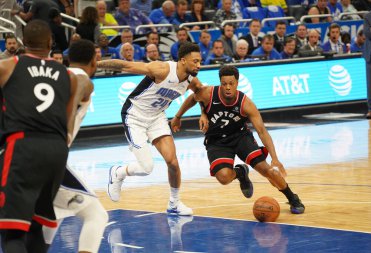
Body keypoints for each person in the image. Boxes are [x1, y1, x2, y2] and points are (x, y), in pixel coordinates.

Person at [171, 65, 305, 214]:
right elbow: (194, 98)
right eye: (224, 84)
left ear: (237, 83)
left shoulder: (245, 103)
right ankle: (240, 173)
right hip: (217, 141)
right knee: (223, 178)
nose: (227, 87)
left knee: (269, 172)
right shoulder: (209, 93)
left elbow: (262, 131)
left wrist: (275, 158)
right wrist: (178, 117)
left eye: (231, 84)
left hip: (240, 137)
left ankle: (292, 197)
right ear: (220, 83)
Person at [97, 42, 205, 215]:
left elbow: (201, 93)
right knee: (146, 168)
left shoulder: (191, 80)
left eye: (200, 61)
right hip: (134, 116)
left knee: (173, 162)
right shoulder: (162, 70)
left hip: (157, 118)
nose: (199, 65)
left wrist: (198, 114)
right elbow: (127, 65)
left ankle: (174, 203)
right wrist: (96, 64)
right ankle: (118, 172)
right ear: (183, 60)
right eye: (195, 61)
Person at [0, 19, 79, 253]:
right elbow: (68, 126)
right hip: (56, 150)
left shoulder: (8, 66)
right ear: (50, 42)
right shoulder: (69, 76)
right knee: (36, 226)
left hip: (23, 145)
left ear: (24, 42)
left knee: (12, 232)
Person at [43, 39, 108, 253]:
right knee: (96, 215)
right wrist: (66, 135)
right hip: (50, 154)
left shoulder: (55, 76)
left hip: (22, 152)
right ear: (94, 61)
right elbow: (73, 98)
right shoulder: (81, 79)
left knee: (52, 215)